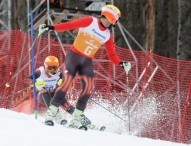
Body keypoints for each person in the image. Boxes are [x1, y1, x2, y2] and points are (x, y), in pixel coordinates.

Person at [38, 4, 132, 128]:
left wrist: (121, 64)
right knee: (66, 83)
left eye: (114, 21)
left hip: (86, 61)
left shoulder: (108, 36)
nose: (113, 23)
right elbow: (70, 25)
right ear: (108, 17)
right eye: (113, 20)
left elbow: (112, 56)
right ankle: (51, 114)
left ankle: (76, 119)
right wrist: (50, 27)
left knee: (87, 88)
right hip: (74, 56)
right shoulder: (90, 21)